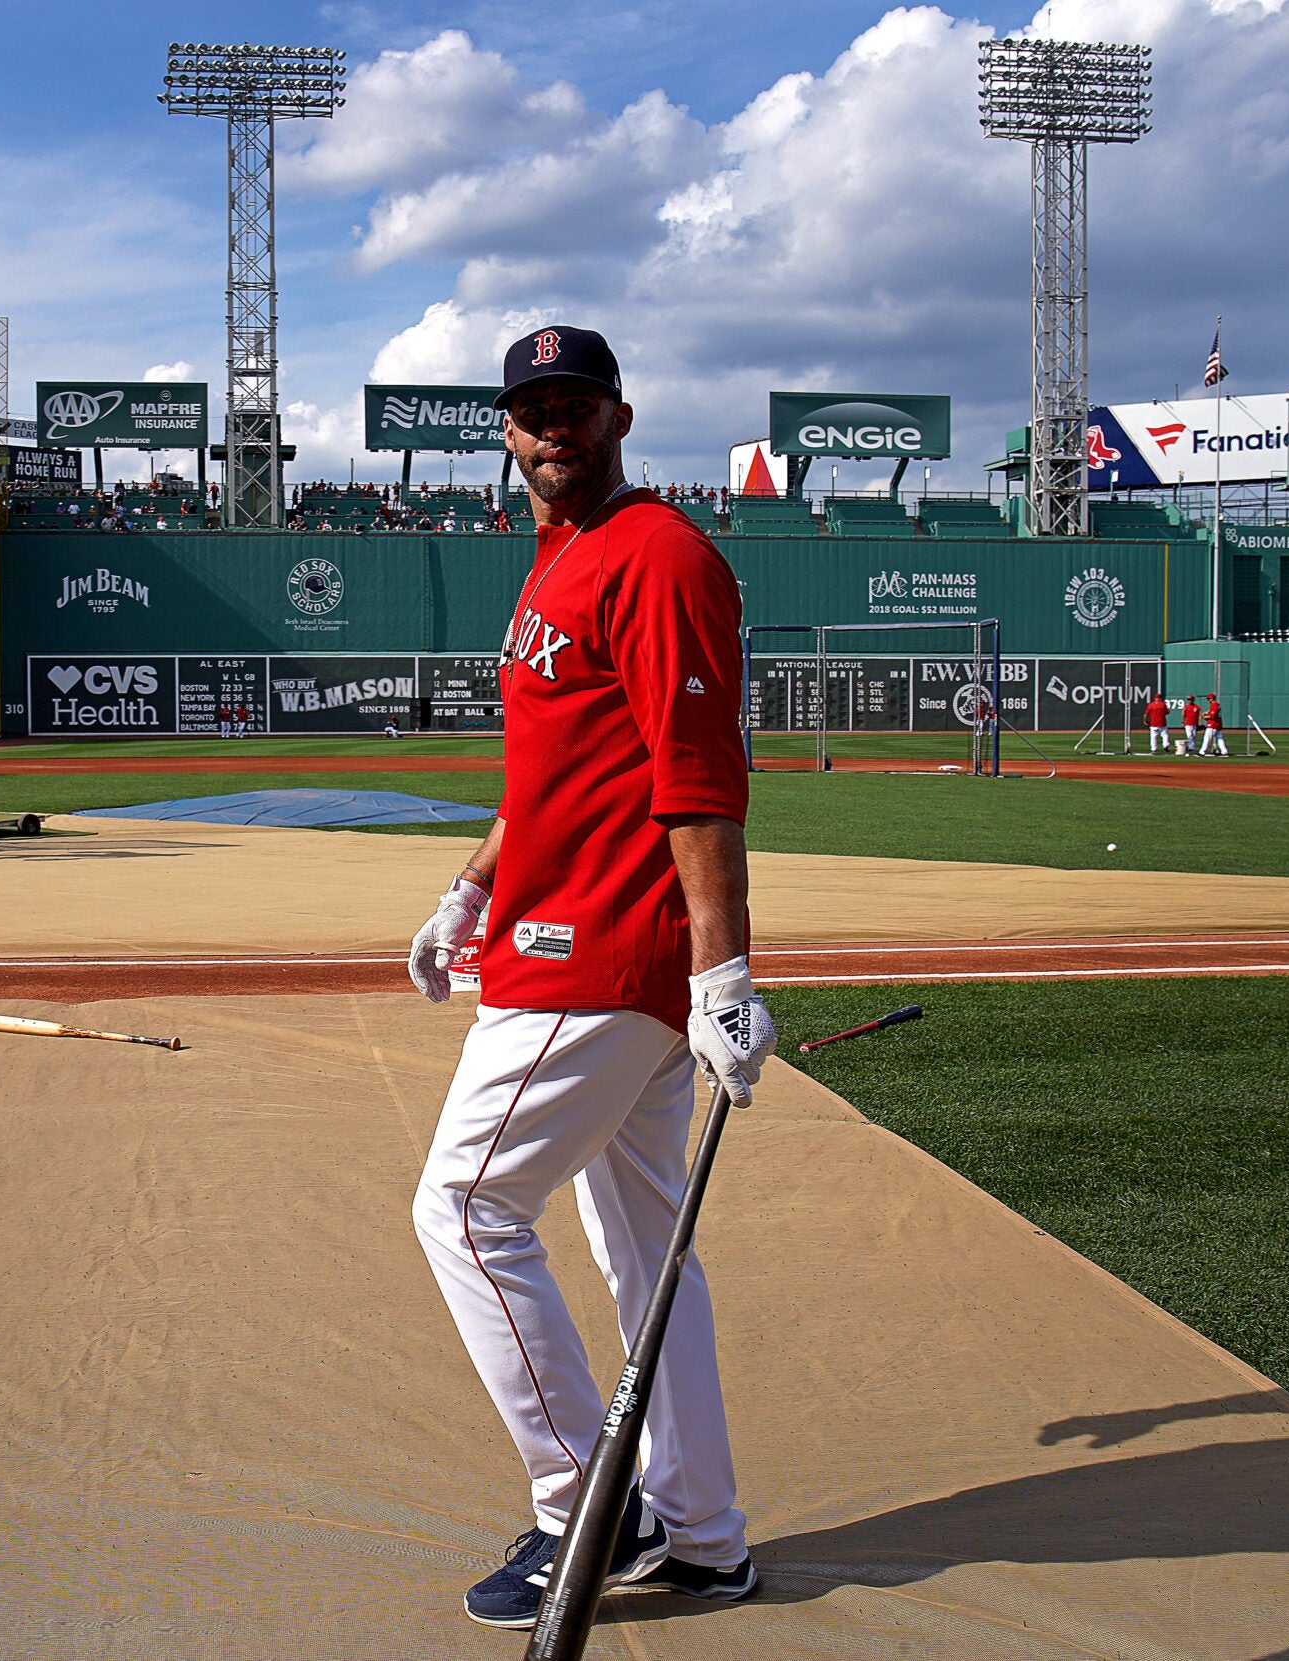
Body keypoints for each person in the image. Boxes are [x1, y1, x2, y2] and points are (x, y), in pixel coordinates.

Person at [406, 325, 769, 1630]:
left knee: (462, 1207)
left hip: (602, 956)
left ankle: (584, 1504)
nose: (551, 426)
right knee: (640, 1252)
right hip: (554, 930)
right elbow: (552, 775)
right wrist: (472, 887)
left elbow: (697, 779)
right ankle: (707, 1535)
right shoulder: (557, 559)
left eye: (574, 404)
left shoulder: (661, 554)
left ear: (619, 415)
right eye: (529, 409)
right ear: (507, 430)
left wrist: (723, 968)